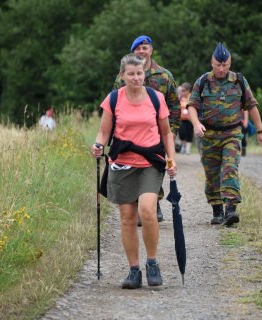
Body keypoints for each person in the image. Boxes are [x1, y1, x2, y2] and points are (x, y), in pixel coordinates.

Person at [91, 53, 177, 289]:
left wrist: (171, 159)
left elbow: (167, 132)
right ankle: (134, 270)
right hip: (122, 164)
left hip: (150, 162)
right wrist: (98, 145)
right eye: (131, 74)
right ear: (122, 75)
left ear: (144, 74)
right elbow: (103, 133)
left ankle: (152, 263)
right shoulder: (113, 99)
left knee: (147, 210)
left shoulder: (156, 98)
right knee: (127, 218)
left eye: (139, 73)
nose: (136, 78)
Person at [187, 42, 262, 226]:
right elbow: (192, 106)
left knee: (229, 168)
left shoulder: (239, 80)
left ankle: (231, 209)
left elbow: (251, 106)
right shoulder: (203, 81)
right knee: (212, 173)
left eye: (224, 65)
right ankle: (217, 209)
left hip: (232, 133)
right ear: (212, 63)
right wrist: (196, 123)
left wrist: (261, 131)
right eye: (218, 65)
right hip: (209, 135)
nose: (221, 69)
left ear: (230, 64)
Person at [113, 35, 180, 222]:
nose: (142, 51)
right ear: (133, 52)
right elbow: (115, 103)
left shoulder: (165, 76)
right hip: (132, 134)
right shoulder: (122, 76)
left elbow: (174, 105)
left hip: (159, 131)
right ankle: (141, 204)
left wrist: (172, 131)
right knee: (135, 166)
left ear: (151, 50)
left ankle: (153, 204)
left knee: (154, 165)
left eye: (145, 47)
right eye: (138, 48)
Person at [177, 82, 194, 154]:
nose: (182, 92)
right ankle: (183, 147)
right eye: (181, 90)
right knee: (182, 133)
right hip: (182, 119)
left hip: (190, 119)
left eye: (184, 90)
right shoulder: (180, 97)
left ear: (188, 90)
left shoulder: (192, 97)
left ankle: (187, 149)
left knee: (189, 133)